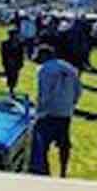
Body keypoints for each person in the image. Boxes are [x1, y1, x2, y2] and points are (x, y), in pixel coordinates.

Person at [31, 45, 82, 177]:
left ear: (44, 55)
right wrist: (71, 103)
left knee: (41, 143)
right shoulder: (70, 68)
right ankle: (63, 171)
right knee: (64, 144)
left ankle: (43, 169)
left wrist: (39, 110)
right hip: (65, 111)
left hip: (48, 112)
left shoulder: (44, 69)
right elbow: (78, 90)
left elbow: (44, 92)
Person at [0, 31, 24, 95]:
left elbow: (21, 54)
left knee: (15, 76)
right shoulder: (5, 44)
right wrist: (5, 61)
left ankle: (12, 89)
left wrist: (21, 63)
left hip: (16, 63)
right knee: (10, 76)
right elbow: (3, 53)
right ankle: (10, 89)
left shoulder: (19, 44)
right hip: (8, 62)